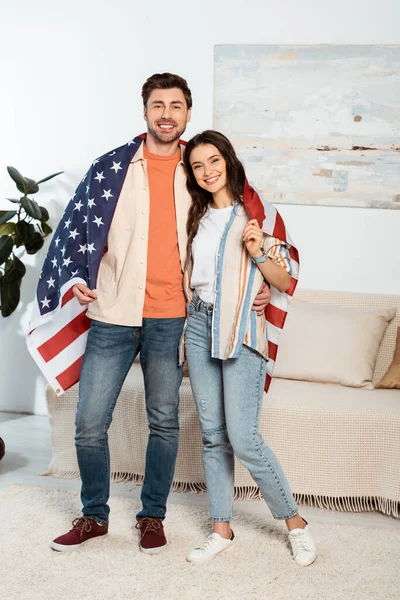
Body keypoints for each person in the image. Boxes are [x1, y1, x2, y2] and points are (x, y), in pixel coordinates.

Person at [41, 74, 270, 554]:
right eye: (158, 104)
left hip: (172, 317)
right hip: (112, 312)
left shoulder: (201, 171)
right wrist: (73, 276)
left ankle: (152, 516)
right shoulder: (112, 169)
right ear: (144, 110)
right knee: (88, 422)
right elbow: (77, 226)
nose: (167, 113)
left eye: (177, 106)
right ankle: (94, 515)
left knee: (164, 421)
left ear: (188, 113)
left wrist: (263, 281)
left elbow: (246, 225)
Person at [182, 130, 318, 567]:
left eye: (214, 161)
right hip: (200, 324)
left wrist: (259, 254)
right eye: (198, 165)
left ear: (229, 160)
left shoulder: (257, 213)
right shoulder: (196, 216)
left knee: (244, 437)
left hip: (241, 328)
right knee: (213, 435)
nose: (207, 171)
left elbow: (284, 281)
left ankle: (295, 523)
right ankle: (221, 528)